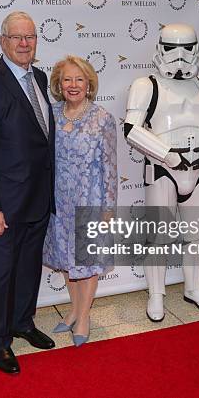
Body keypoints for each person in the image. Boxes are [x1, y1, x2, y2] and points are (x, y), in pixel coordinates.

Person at [123, 23, 199, 322]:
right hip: (162, 168)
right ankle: (156, 295)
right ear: (160, 48)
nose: (180, 56)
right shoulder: (146, 85)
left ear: (197, 48)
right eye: (172, 48)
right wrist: (166, 155)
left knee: (196, 236)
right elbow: (131, 129)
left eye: (187, 48)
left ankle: (194, 289)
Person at [0, 11, 55, 375]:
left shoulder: (41, 77)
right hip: (2, 203)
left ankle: (23, 322)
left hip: (37, 197)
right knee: (2, 270)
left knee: (30, 265)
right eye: (16, 37)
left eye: (29, 37)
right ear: (2, 41)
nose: (23, 43)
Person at [43, 56, 117, 347]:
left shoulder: (102, 118)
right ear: (59, 85)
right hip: (57, 201)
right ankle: (73, 310)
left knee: (86, 262)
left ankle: (84, 317)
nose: (73, 85)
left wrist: (108, 207)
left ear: (89, 84)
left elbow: (110, 165)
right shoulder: (53, 114)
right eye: (67, 80)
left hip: (90, 199)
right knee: (66, 261)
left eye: (79, 79)